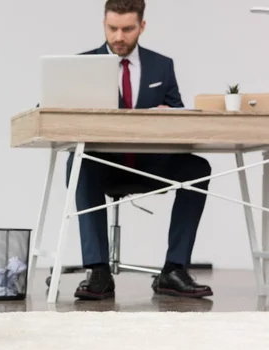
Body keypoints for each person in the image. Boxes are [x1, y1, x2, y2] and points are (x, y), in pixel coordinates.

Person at [69, 0, 213, 300]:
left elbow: (179, 117)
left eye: (127, 29)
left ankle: (173, 270)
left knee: (198, 168)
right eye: (112, 28)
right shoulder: (81, 65)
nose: (119, 37)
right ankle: (99, 271)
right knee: (77, 162)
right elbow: (53, 108)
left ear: (141, 27)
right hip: (104, 167)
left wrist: (168, 114)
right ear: (104, 25)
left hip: (151, 164)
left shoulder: (162, 65)